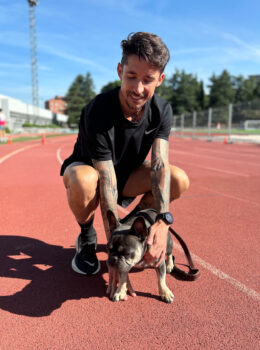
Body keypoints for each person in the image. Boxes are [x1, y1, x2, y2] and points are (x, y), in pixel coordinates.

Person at [60, 32, 189, 295]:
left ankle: (134, 230)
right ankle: (86, 235)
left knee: (177, 178)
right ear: (120, 70)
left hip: (127, 175)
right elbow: (107, 181)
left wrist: (163, 223)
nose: (138, 88)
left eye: (148, 80)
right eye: (131, 76)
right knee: (84, 181)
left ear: (160, 80)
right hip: (93, 172)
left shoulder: (162, 110)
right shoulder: (99, 110)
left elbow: (159, 165)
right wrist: (115, 260)